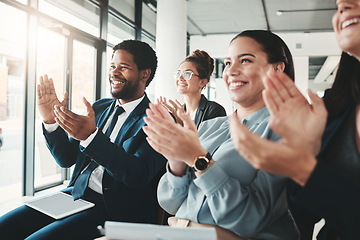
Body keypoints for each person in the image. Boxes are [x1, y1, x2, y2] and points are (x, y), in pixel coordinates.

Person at [0, 40, 167, 240]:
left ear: (144, 74)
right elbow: (66, 158)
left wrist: (92, 137)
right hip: (74, 195)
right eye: (112, 66)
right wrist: (50, 121)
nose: (114, 72)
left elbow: (137, 174)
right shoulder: (100, 107)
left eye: (123, 67)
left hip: (113, 209)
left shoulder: (159, 120)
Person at [143, 30, 299, 239]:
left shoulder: (284, 131)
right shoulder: (211, 127)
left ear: (277, 68)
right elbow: (171, 204)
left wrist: (198, 159)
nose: (231, 71)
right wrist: (176, 162)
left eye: (245, 61)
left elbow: (248, 221)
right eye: (227, 63)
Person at [229, 1, 360, 239]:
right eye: (339, 3)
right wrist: (307, 150)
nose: (344, 6)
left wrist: (304, 168)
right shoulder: (339, 105)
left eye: (245, 60)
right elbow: (305, 215)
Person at [158, 49, 226, 127]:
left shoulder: (214, 111)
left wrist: (182, 125)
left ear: (202, 82)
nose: (180, 78)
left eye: (187, 73)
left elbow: (208, 139)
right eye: (178, 73)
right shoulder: (177, 113)